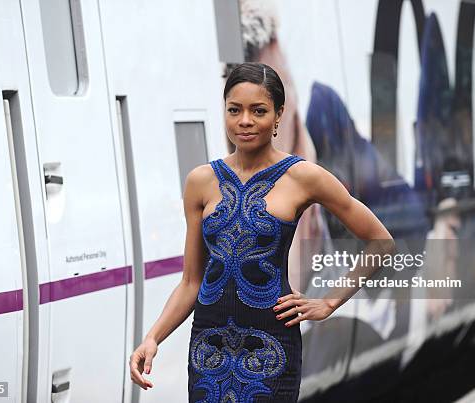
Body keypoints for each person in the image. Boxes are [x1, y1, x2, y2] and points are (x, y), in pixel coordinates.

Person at [129, 62, 393, 402]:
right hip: (209, 348)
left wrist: (329, 301)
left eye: (259, 111)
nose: (245, 122)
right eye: (234, 110)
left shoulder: (304, 177)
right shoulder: (200, 182)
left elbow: (380, 241)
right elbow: (191, 282)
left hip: (271, 347)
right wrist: (152, 338)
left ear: (279, 114)